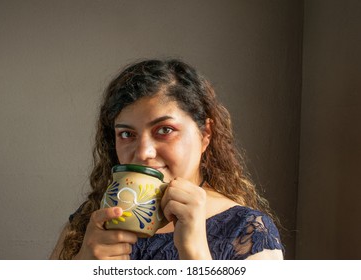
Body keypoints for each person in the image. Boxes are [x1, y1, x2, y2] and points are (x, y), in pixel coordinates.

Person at [50, 58, 284, 260]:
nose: (143, 152)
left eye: (164, 130)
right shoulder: (88, 222)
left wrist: (195, 254)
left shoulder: (249, 231)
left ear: (206, 134)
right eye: (127, 134)